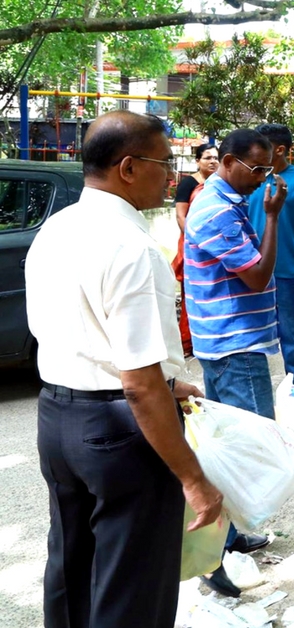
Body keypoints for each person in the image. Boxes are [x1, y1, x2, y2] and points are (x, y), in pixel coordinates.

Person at [25, 111, 224, 628]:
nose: (173, 175)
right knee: (130, 591)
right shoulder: (133, 248)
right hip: (119, 434)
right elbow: (138, 385)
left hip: (58, 418)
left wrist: (169, 383)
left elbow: (86, 335)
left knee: (71, 574)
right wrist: (194, 479)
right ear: (130, 167)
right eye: (165, 162)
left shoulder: (56, 227)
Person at [184, 128, 286, 596]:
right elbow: (257, 275)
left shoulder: (227, 201)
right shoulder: (217, 210)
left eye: (268, 168)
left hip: (231, 342)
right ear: (228, 162)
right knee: (247, 451)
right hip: (233, 345)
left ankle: (229, 536)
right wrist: (271, 218)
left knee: (231, 444)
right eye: (257, 168)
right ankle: (215, 554)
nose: (264, 177)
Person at [247, 123, 294, 383]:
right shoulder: (252, 178)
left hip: (285, 272)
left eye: (262, 147)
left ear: (278, 150)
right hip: (249, 270)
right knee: (249, 337)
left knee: (291, 337)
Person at [172, 143, 219, 357]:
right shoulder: (189, 183)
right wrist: (196, 241)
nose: (212, 161)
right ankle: (187, 342)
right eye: (207, 157)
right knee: (192, 293)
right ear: (198, 161)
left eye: (216, 158)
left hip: (216, 245)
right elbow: (181, 216)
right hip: (193, 245)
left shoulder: (219, 183)